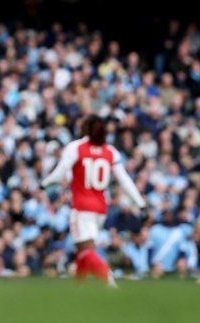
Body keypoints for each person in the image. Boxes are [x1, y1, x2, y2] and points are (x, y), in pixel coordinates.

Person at [41, 115, 146, 286]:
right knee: (82, 249)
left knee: (86, 249)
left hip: (82, 206)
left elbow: (60, 173)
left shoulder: (76, 147)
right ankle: (78, 286)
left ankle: (109, 280)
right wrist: (139, 202)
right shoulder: (110, 151)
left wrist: (44, 184)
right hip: (100, 208)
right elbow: (124, 180)